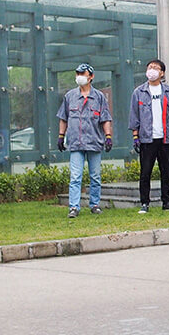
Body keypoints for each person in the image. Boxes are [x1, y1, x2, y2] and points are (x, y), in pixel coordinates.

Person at [56, 63, 113, 219]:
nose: (80, 76)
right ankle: (74, 207)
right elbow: (63, 117)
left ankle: (94, 204)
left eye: (83, 73)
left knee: (95, 176)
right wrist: (61, 136)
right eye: (78, 73)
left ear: (91, 76)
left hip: (94, 141)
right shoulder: (70, 96)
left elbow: (105, 118)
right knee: (75, 176)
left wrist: (108, 136)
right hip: (76, 142)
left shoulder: (99, 97)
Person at [128, 58, 169, 213]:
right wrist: (135, 136)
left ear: (162, 73)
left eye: (155, 68)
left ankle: (167, 201)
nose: (151, 70)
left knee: (166, 172)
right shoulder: (139, 92)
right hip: (147, 138)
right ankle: (144, 203)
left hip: (165, 138)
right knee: (146, 172)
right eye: (149, 67)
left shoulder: (168, 91)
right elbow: (134, 115)